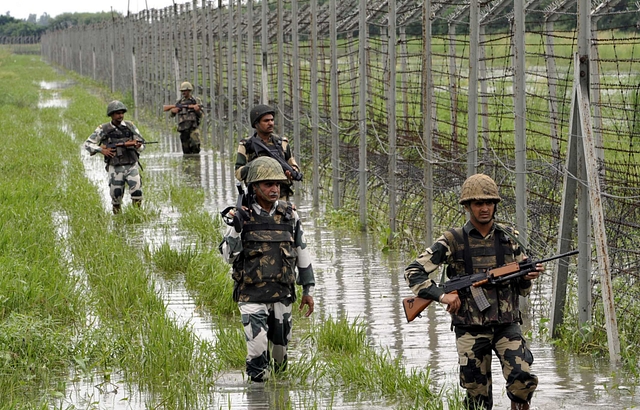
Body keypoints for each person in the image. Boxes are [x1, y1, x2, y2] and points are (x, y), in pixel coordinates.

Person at [404, 174, 543, 410]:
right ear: (468, 206)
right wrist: (442, 295)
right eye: (478, 203)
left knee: (522, 379)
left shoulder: (509, 238)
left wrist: (528, 277)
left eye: (489, 203)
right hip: (470, 328)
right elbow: (413, 271)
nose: (485, 208)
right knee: (477, 396)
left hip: (506, 325)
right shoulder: (452, 240)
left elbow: (523, 289)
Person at [220, 156, 315, 383]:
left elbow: (302, 252)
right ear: (255, 187)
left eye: (277, 184)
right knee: (258, 348)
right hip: (251, 294)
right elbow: (227, 256)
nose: (274, 189)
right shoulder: (239, 216)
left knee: (280, 353)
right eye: (268, 184)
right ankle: (258, 396)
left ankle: (280, 396)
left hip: (282, 293)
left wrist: (308, 290)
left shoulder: (290, 215)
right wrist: (237, 228)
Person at [84, 100, 146, 214]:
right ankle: (118, 220)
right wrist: (102, 150)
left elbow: (142, 145)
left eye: (122, 113)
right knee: (116, 196)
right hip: (115, 167)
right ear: (111, 114)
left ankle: (137, 215)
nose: (120, 116)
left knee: (137, 193)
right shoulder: (103, 129)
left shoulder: (130, 126)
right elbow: (87, 144)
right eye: (117, 113)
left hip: (131, 165)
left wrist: (138, 145)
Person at [234, 104, 301, 199]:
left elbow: (294, 166)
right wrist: (256, 164)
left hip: (280, 197)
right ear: (256, 124)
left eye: (272, 120)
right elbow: (238, 174)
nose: (271, 123)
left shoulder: (282, 143)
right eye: (266, 121)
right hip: (257, 198)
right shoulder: (247, 145)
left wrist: (292, 173)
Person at [169, 81, 202, 154]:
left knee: (196, 149)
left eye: (185, 91)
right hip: (183, 130)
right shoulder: (179, 102)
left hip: (193, 129)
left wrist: (197, 110)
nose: (183, 92)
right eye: (182, 91)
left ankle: (196, 164)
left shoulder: (196, 101)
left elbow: (201, 115)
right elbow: (171, 115)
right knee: (186, 152)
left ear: (189, 91)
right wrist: (173, 112)